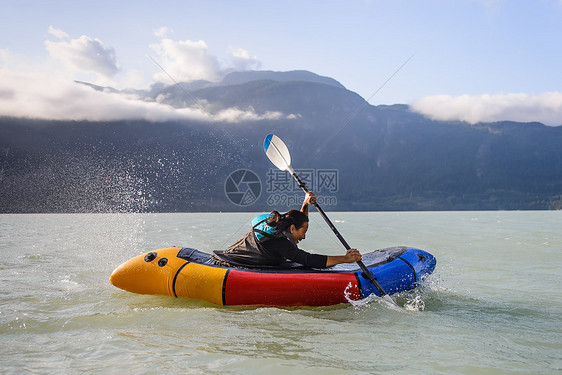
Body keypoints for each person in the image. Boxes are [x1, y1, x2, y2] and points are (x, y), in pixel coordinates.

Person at [212, 192, 362, 268]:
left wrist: (305, 203)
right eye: (304, 232)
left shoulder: (282, 222)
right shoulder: (279, 242)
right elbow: (308, 260)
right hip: (231, 264)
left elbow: (300, 221)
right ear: (291, 228)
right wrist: (345, 259)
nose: (304, 237)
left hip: (233, 254)